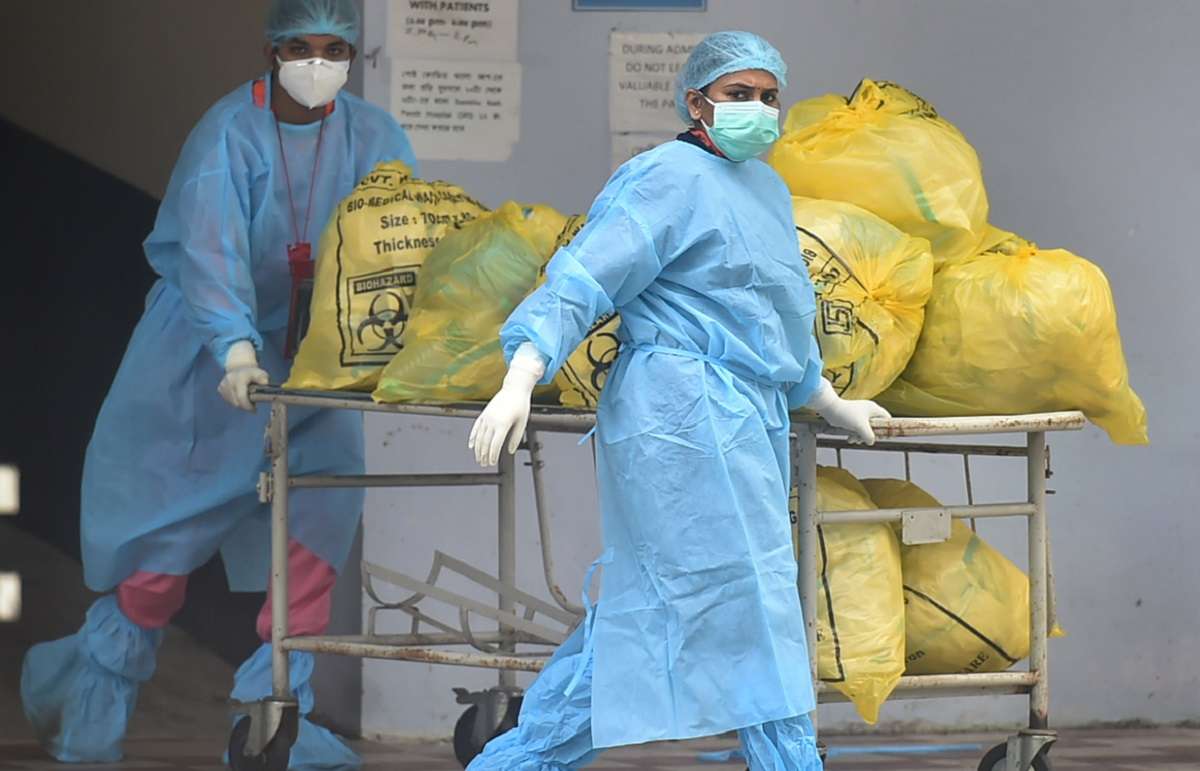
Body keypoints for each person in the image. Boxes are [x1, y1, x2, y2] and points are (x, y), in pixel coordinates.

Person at [466, 30, 890, 770]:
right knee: (721, 607)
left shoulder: (766, 187)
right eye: (737, 96)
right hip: (678, 415)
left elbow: (777, 312)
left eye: (767, 97)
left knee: (693, 609)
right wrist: (521, 373)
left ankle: (518, 761)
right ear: (696, 101)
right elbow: (583, 279)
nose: (756, 110)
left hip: (746, 417)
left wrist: (821, 393)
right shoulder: (661, 178)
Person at [19, 1, 416, 767]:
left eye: (335, 48)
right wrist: (235, 349)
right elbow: (210, 253)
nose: (318, 62)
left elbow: (402, 235)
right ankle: (86, 695)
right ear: (272, 50)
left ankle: (273, 717)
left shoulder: (374, 136)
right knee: (169, 541)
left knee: (318, 527)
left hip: (317, 360)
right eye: (302, 47)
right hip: (206, 356)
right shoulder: (228, 135)